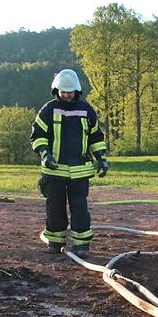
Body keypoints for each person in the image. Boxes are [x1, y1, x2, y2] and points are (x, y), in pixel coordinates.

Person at [29, 69, 108, 258]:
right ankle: (55, 243)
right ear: (56, 90)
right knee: (54, 207)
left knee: (79, 208)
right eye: (63, 91)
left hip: (80, 172)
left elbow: (96, 137)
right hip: (54, 171)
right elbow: (38, 136)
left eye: (70, 92)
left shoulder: (87, 110)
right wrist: (45, 154)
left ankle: (82, 245)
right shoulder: (48, 110)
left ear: (77, 91)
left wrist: (101, 158)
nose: (66, 95)